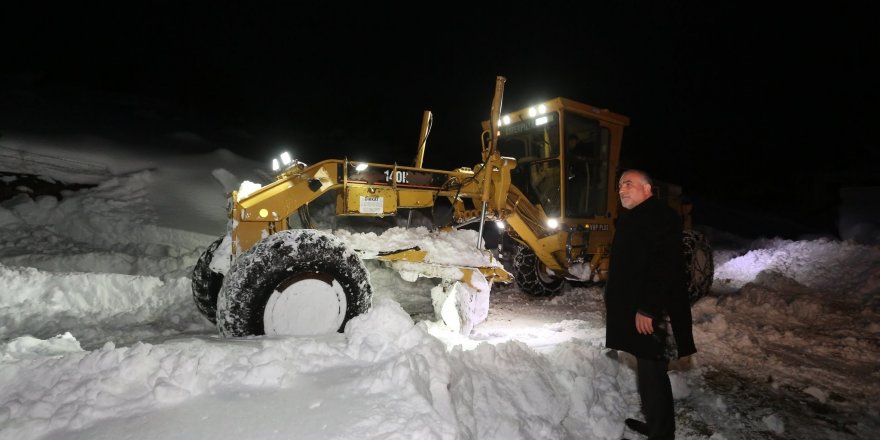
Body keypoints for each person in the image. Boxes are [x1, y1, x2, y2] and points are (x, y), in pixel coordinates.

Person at [604, 169, 696, 440]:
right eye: (620, 185)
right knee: (648, 373)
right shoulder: (634, 218)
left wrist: (649, 309)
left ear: (647, 189)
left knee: (653, 373)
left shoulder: (660, 216)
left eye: (629, 184)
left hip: (654, 312)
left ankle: (661, 434)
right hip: (639, 309)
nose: (622, 189)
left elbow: (665, 267)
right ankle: (656, 423)